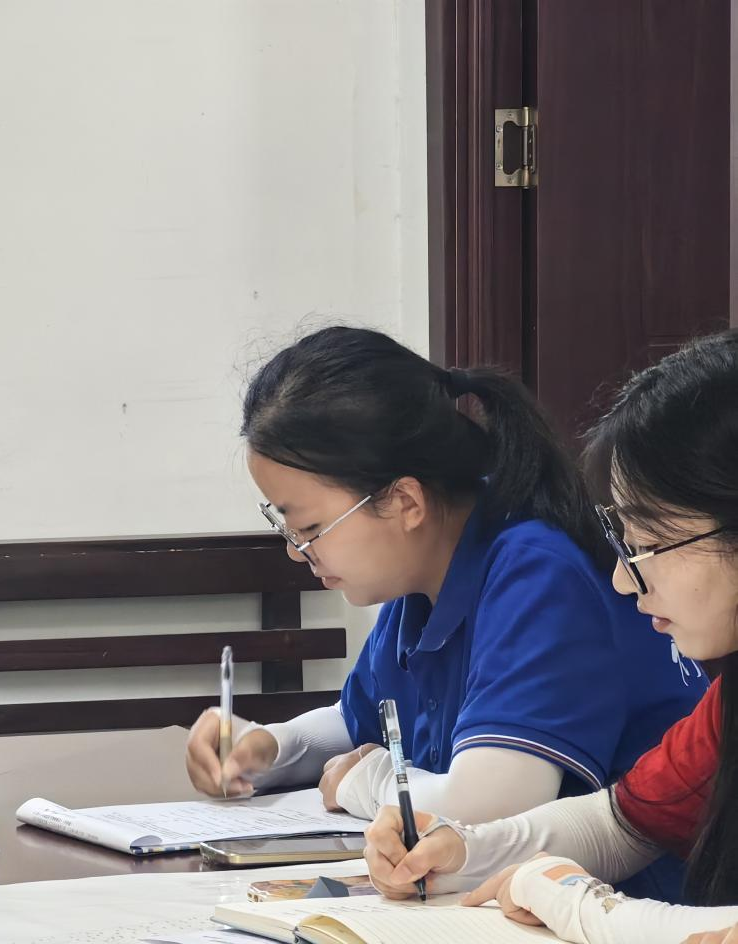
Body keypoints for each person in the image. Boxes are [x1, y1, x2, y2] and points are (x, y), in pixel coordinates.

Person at [185, 326, 704, 897]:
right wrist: (271, 748)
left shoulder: (536, 573)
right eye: (284, 525)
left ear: (405, 501)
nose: (296, 550)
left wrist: (366, 782)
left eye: (309, 527)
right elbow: (361, 721)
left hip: (638, 903)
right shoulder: (421, 577)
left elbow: (486, 809)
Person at [363, 330, 738, 943]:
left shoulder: (533, 564)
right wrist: (465, 847)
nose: (623, 579)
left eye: (648, 543)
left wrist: (580, 905)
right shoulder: (726, 705)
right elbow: (619, 823)